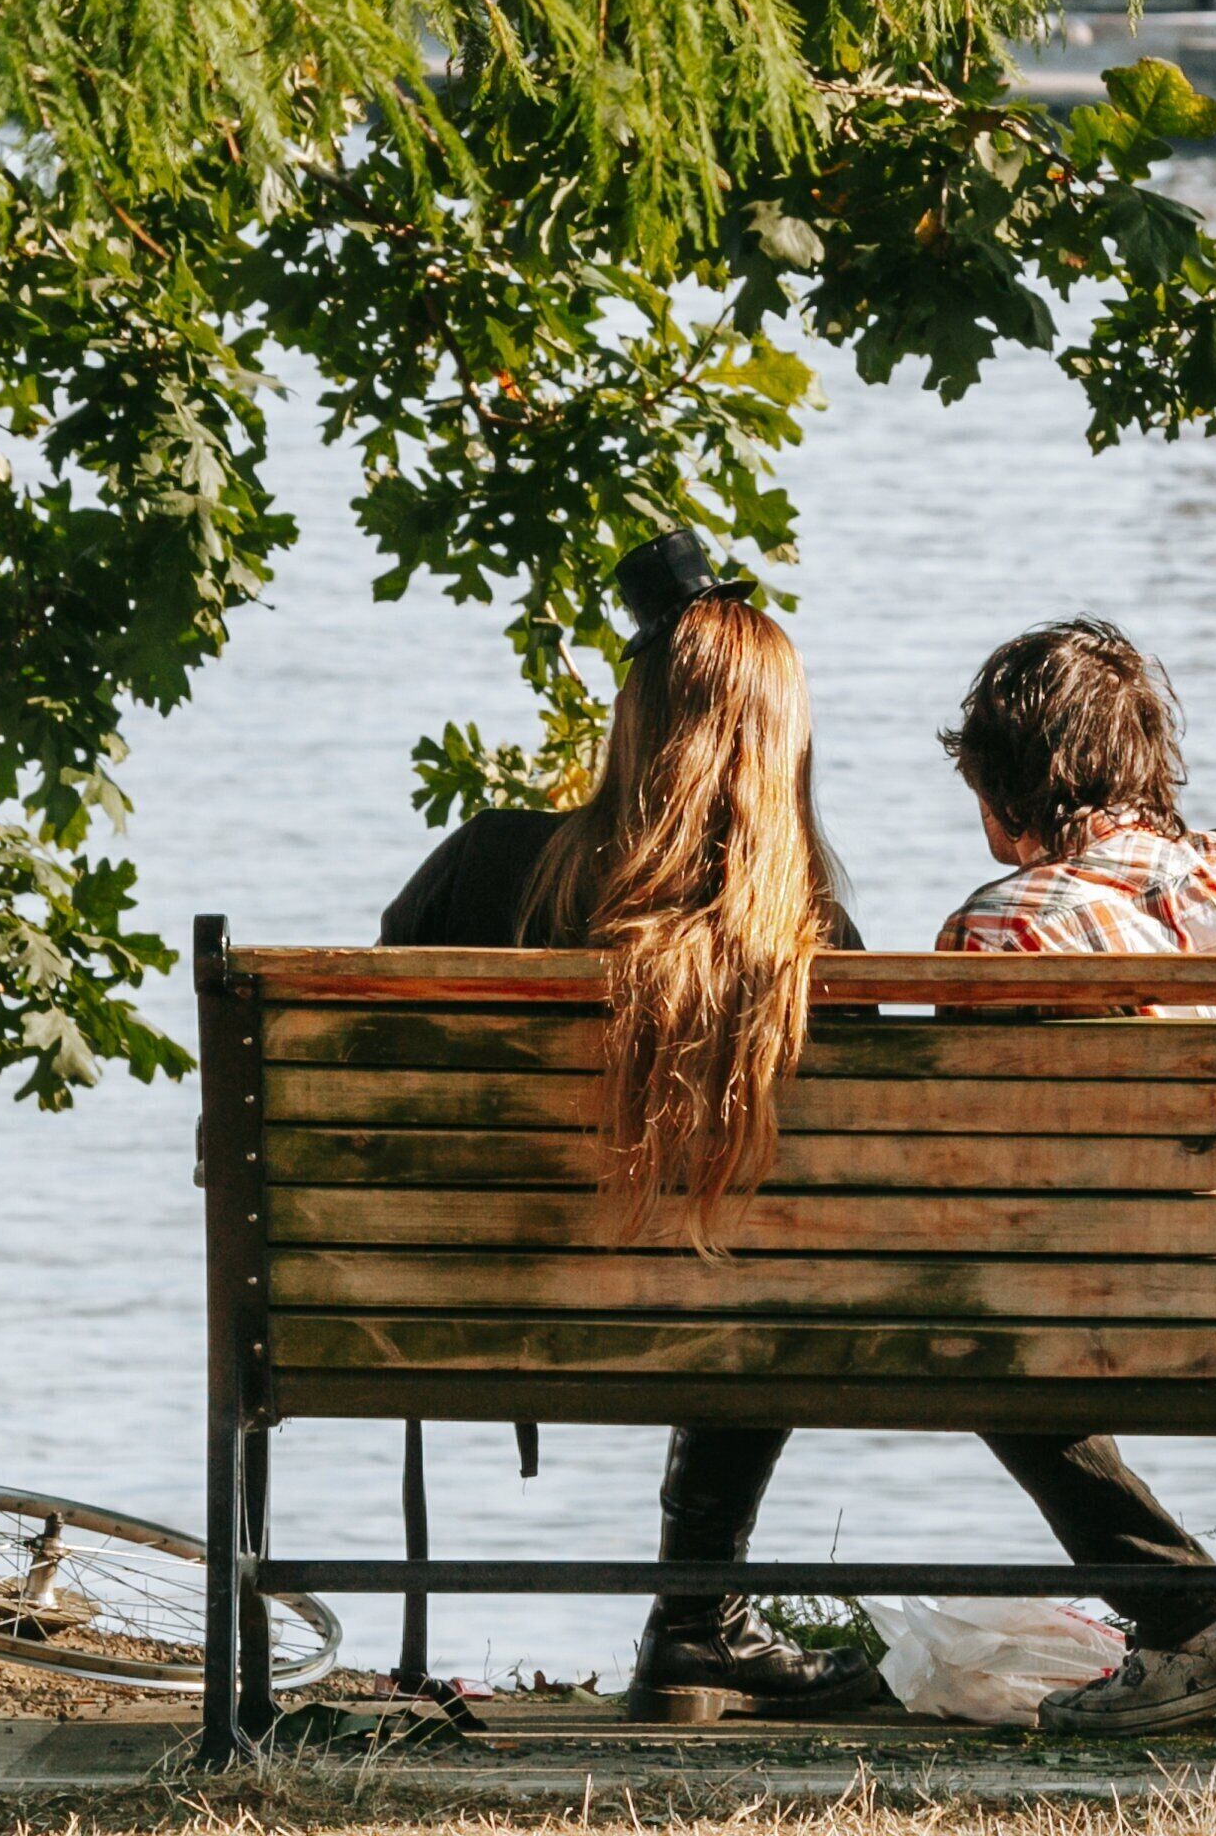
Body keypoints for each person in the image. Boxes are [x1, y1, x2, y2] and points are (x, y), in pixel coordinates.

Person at [376, 532, 881, 1714]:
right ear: (783, 746)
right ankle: (696, 1617)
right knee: (770, 1274)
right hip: (726, 1327)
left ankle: (699, 1624)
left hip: (455, 1298)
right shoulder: (818, 949)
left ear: (633, 719)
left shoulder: (483, 867)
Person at [936, 617, 1216, 1739]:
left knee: (967, 1328)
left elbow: (978, 1169)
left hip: (1123, 1300)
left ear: (1005, 787)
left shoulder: (999, 929)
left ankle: (1186, 1623)